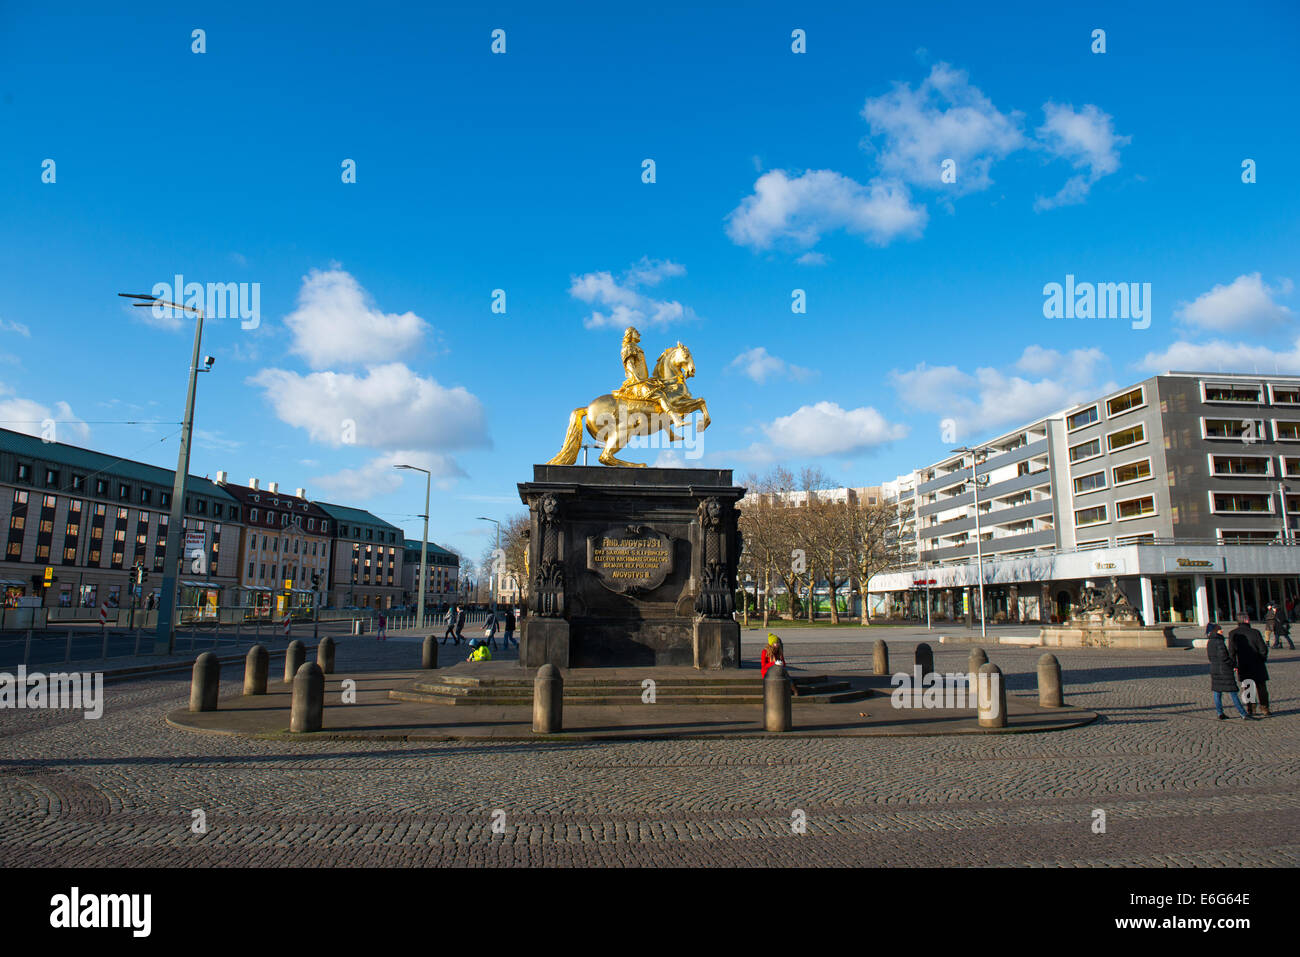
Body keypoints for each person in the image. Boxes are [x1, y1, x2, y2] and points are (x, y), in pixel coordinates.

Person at [1207, 623, 1253, 720]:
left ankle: (1220, 712)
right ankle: (1243, 713)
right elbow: (1224, 656)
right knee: (1233, 691)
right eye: (1220, 629)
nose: (1222, 631)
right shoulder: (1219, 642)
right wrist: (1233, 664)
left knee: (1217, 692)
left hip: (1214, 669)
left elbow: (1210, 657)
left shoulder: (1210, 641)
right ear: (1216, 631)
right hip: (1223, 670)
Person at [1230, 615, 1271, 717]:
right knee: (1261, 688)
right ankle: (1264, 708)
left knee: (1248, 687)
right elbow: (1263, 648)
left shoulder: (1233, 633)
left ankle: (1251, 709)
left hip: (1244, 665)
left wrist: (1234, 664)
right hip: (1257, 664)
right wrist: (1262, 658)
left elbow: (1232, 651)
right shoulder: (1255, 632)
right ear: (1247, 620)